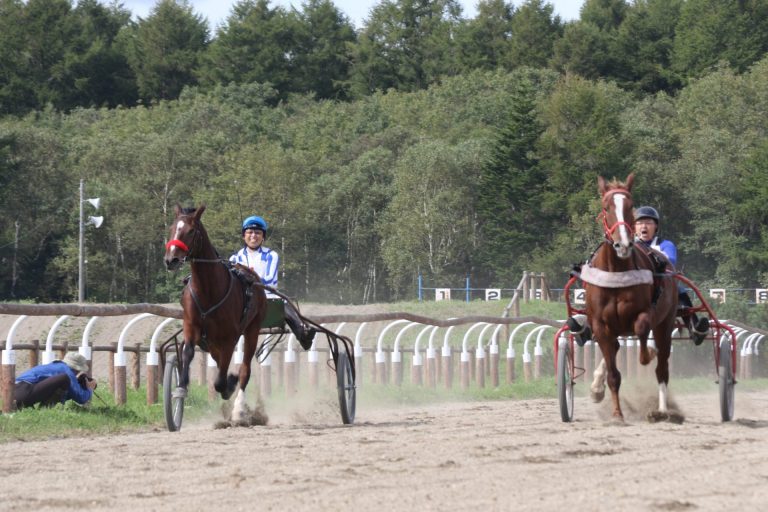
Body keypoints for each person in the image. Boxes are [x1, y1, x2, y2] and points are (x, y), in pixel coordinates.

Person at [230, 215, 317, 350]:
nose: (253, 236)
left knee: (284, 303)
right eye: (250, 232)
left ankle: (302, 332)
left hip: (266, 296)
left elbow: (270, 279)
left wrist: (249, 279)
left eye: (258, 233)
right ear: (243, 236)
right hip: (242, 299)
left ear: (263, 237)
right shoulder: (235, 258)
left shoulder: (271, 255)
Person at [633, 206, 710, 345]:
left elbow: (670, 262)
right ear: (633, 227)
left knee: (679, 289)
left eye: (648, 223)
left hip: (659, 284)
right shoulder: (627, 246)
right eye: (639, 223)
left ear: (655, 226)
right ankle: (591, 325)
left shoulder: (665, 244)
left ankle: (694, 328)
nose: (644, 226)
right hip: (632, 285)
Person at [13, 352, 96, 409]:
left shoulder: (55, 366)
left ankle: (42, 411)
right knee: (64, 379)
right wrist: (89, 389)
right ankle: (43, 410)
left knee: (64, 383)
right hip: (24, 391)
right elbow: (81, 398)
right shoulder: (67, 372)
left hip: (15, 391)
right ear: (76, 368)